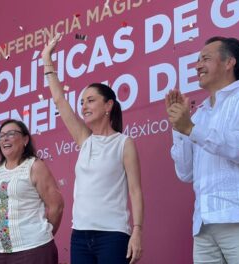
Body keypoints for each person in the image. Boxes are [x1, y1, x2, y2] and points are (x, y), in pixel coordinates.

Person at [42, 34, 144, 264]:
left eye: (90, 100)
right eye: (82, 102)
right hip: (80, 235)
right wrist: (46, 59)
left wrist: (137, 231)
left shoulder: (123, 143)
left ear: (108, 105)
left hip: (114, 235)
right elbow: (59, 100)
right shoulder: (84, 139)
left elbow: (135, 191)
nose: (84, 106)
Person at [165, 36, 239, 263]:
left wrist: (191, 128)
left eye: (205, 59)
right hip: (203, 225)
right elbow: (185, 173)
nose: (198, 65)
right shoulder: (200, 115)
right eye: (197, 60)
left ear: (230, 63)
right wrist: (179, 128)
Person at [0, 119, 64, 264]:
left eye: (11, 134)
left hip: (32, 250)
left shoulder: (35, 166)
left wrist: (42, 236)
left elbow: (56, 206)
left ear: (25, 139)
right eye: (1, 135)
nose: (5, 138)